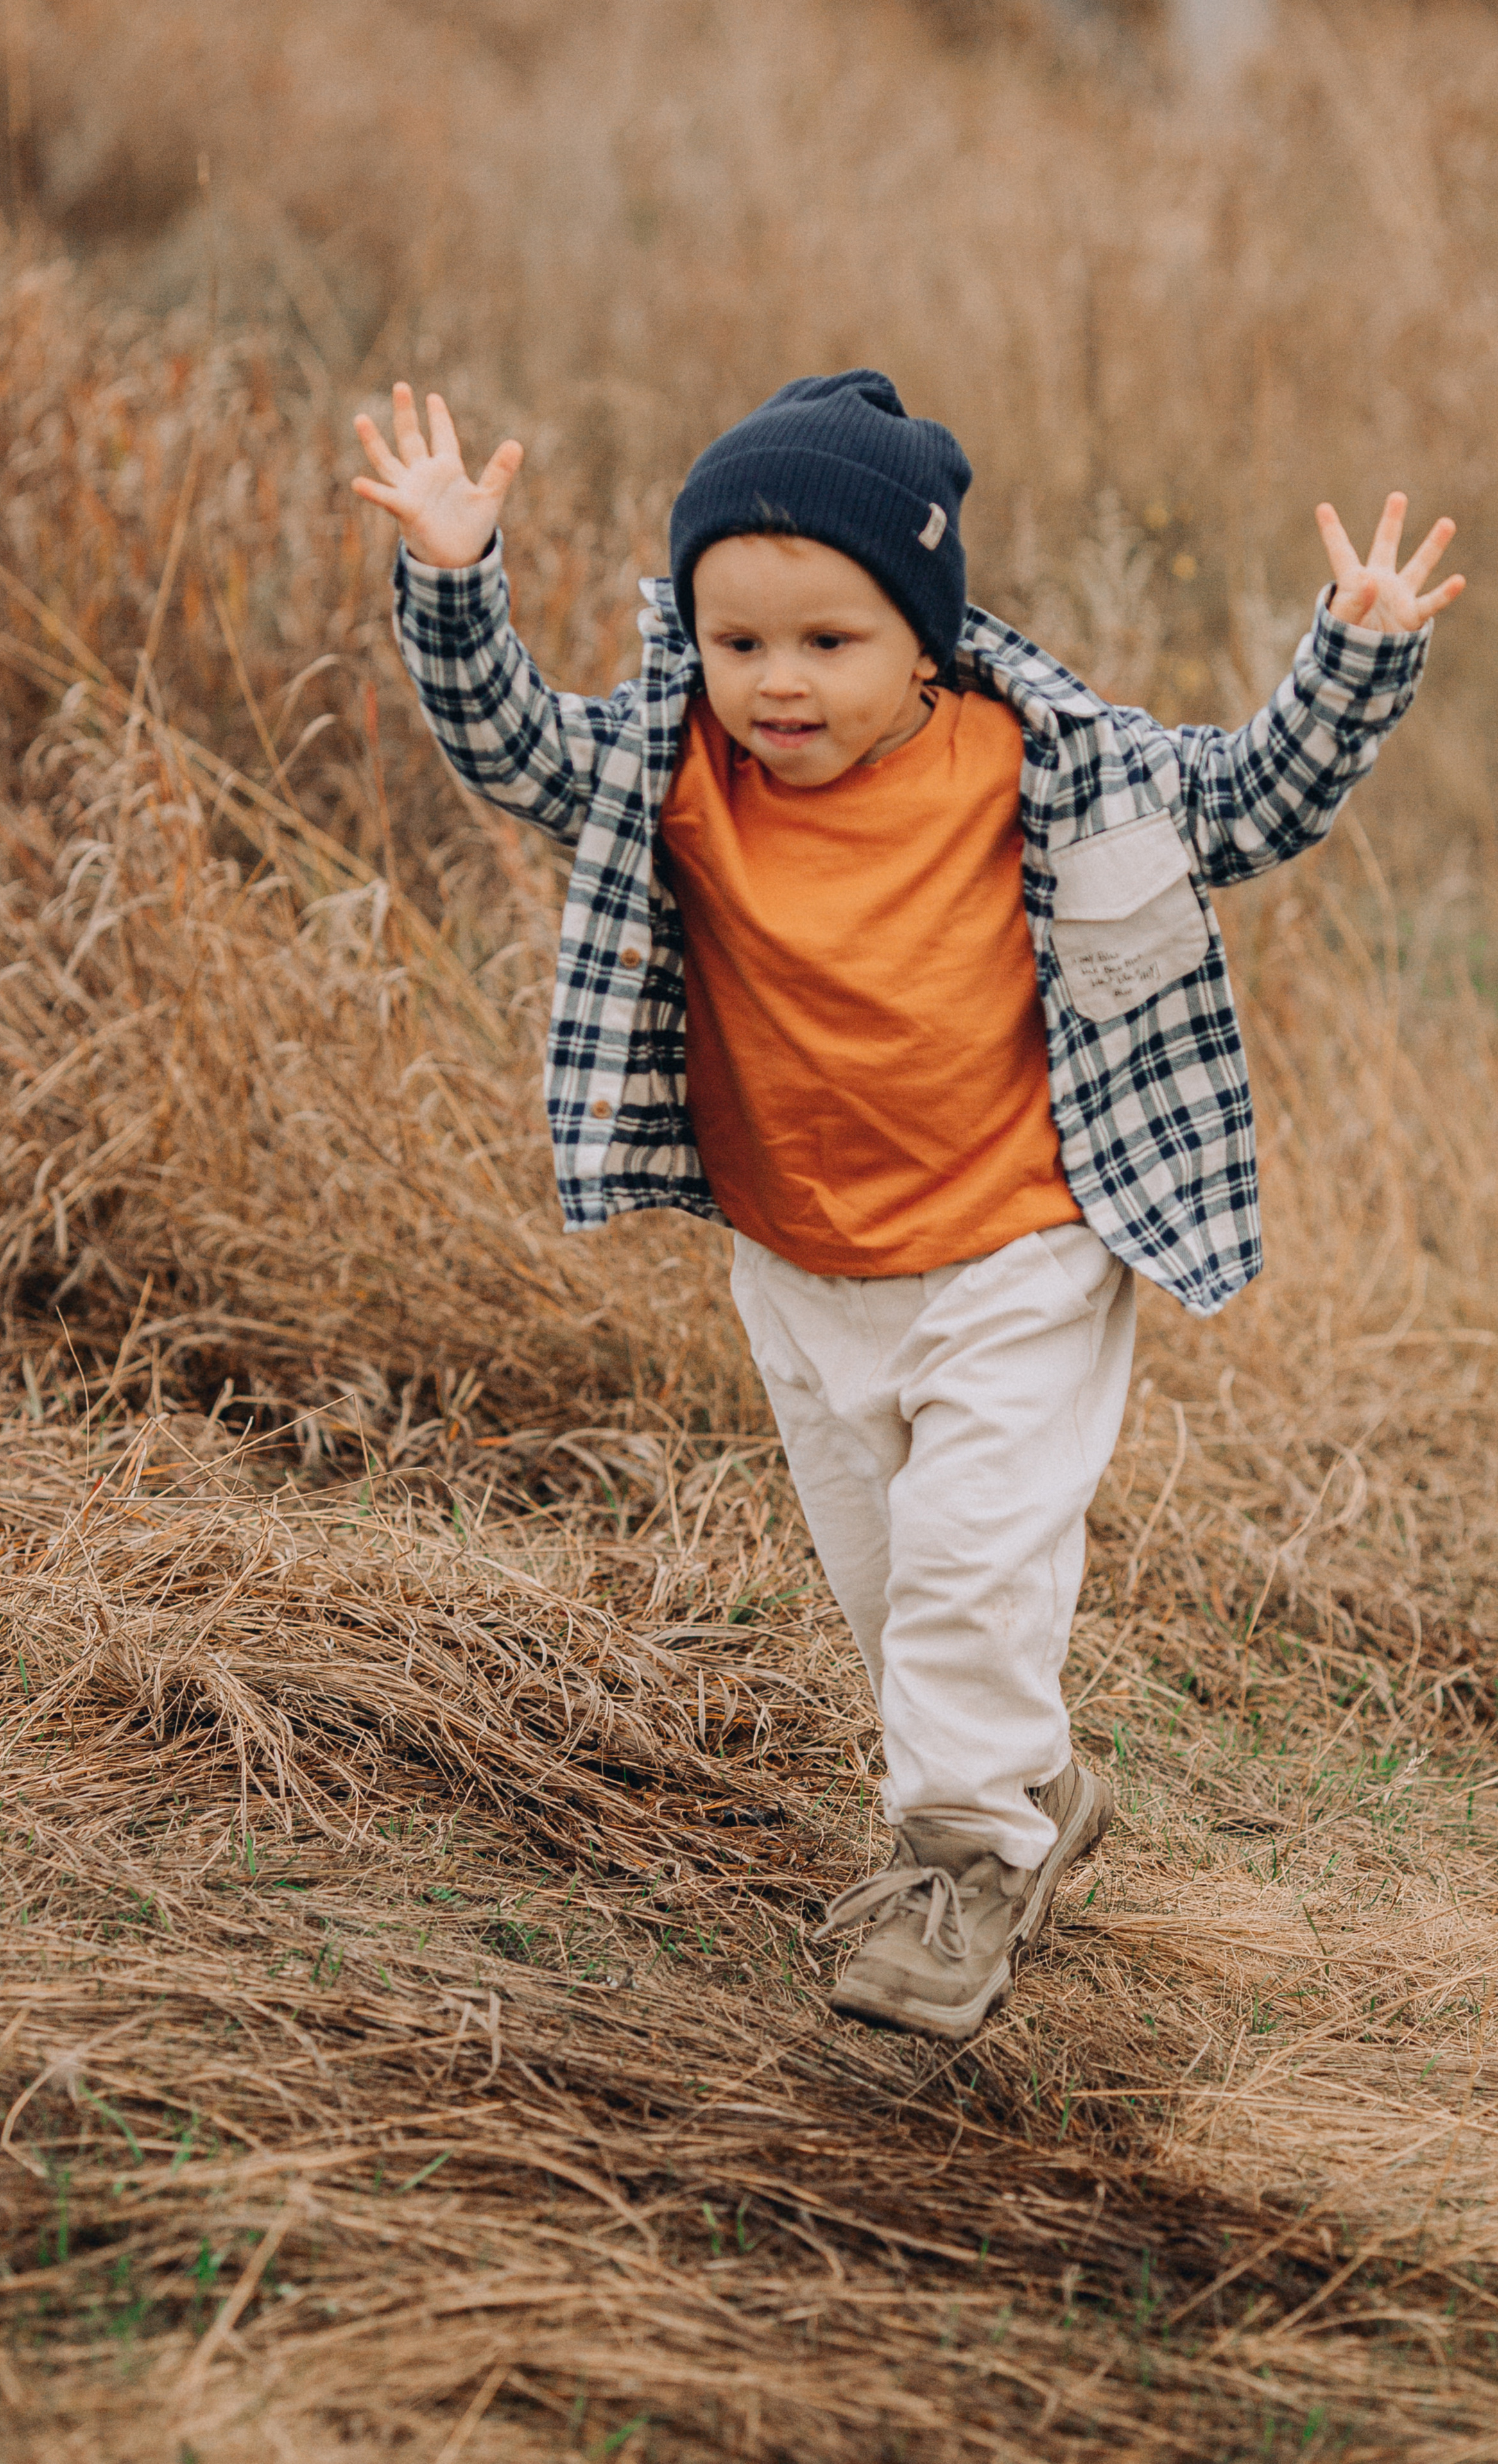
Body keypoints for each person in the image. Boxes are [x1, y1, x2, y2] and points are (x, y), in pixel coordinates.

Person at [352, 370, 1461, 2042]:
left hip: (1020, 1248)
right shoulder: (676, 766)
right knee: (898, 1599)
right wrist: (454, 575)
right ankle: (1031, 1793)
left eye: (828, 642)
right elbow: (513, 749)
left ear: (926, 637)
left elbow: (1242, 805)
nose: (776, 684)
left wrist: (1355, 656)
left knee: (964, 1570)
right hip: (801, 1271)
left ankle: (957, 1878)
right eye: (740, 643)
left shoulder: (1041, 766)